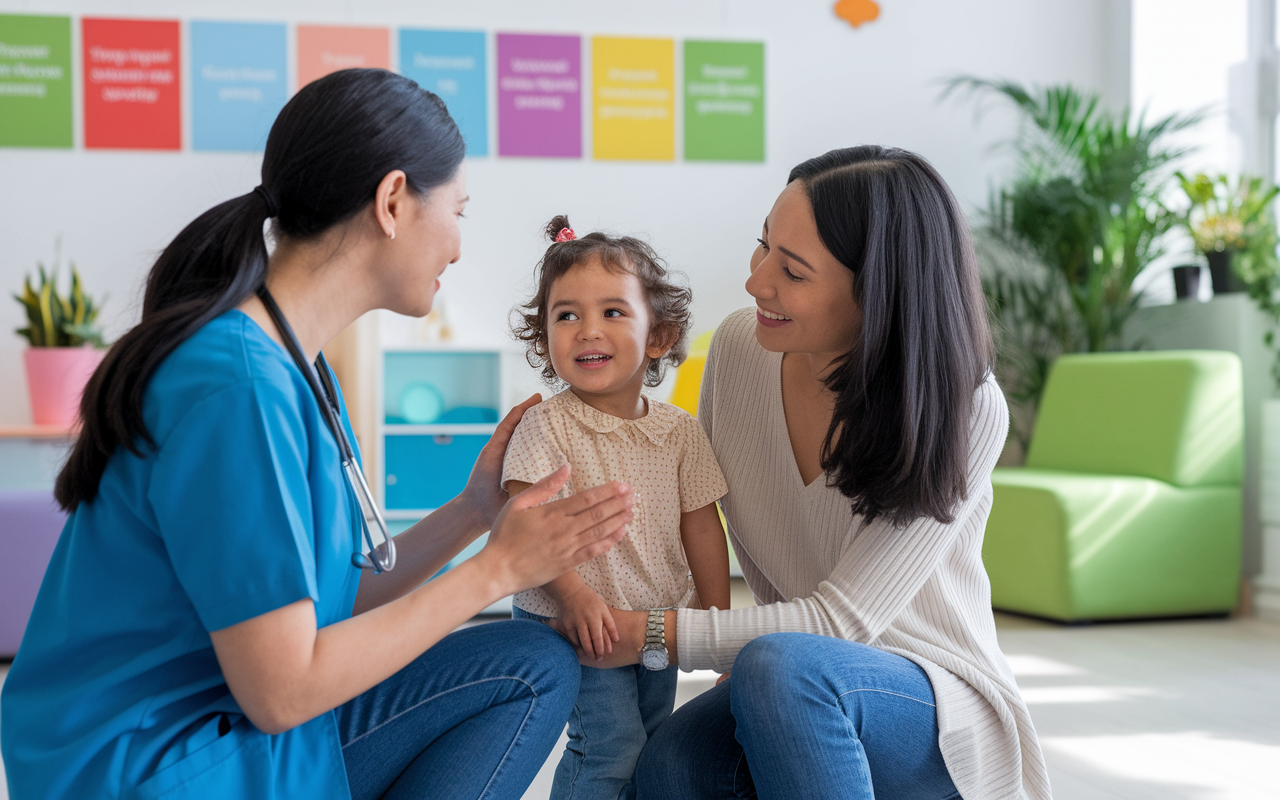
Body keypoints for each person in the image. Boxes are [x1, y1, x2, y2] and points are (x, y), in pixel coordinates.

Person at [0, 68, 635, 800]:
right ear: (393, 201)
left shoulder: (297, 369)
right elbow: (281, 689)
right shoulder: (237, 388)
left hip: (215, 733)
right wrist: (495, 573)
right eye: (457, 211)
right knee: (527, 666)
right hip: (149, 768)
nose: (458, 246)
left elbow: (328, 601)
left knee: (532, 660)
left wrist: (473, 515)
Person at [571, 146, 1052, 800]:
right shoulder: (740, 350)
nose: (756, 281)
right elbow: (696, 511)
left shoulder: (964, 405)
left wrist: (650, 636)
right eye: (762, 246)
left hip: (931, 701)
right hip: (797, 673)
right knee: (674, 763)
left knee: (781, 668)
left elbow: (840, 623)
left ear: (876, 292)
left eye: (792, 271)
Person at [503, 216, 731, 800]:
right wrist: (573, 597)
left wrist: (719, 627)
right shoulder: (546, 423)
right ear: (544, 339)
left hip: (653, 615)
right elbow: (522, 522)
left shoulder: (680, 432)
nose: (586, 331)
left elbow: (702, 526)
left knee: (653, 742)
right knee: (610, 748)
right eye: (567, 315)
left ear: (657, 338)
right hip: (572, 614)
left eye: (612, 312)